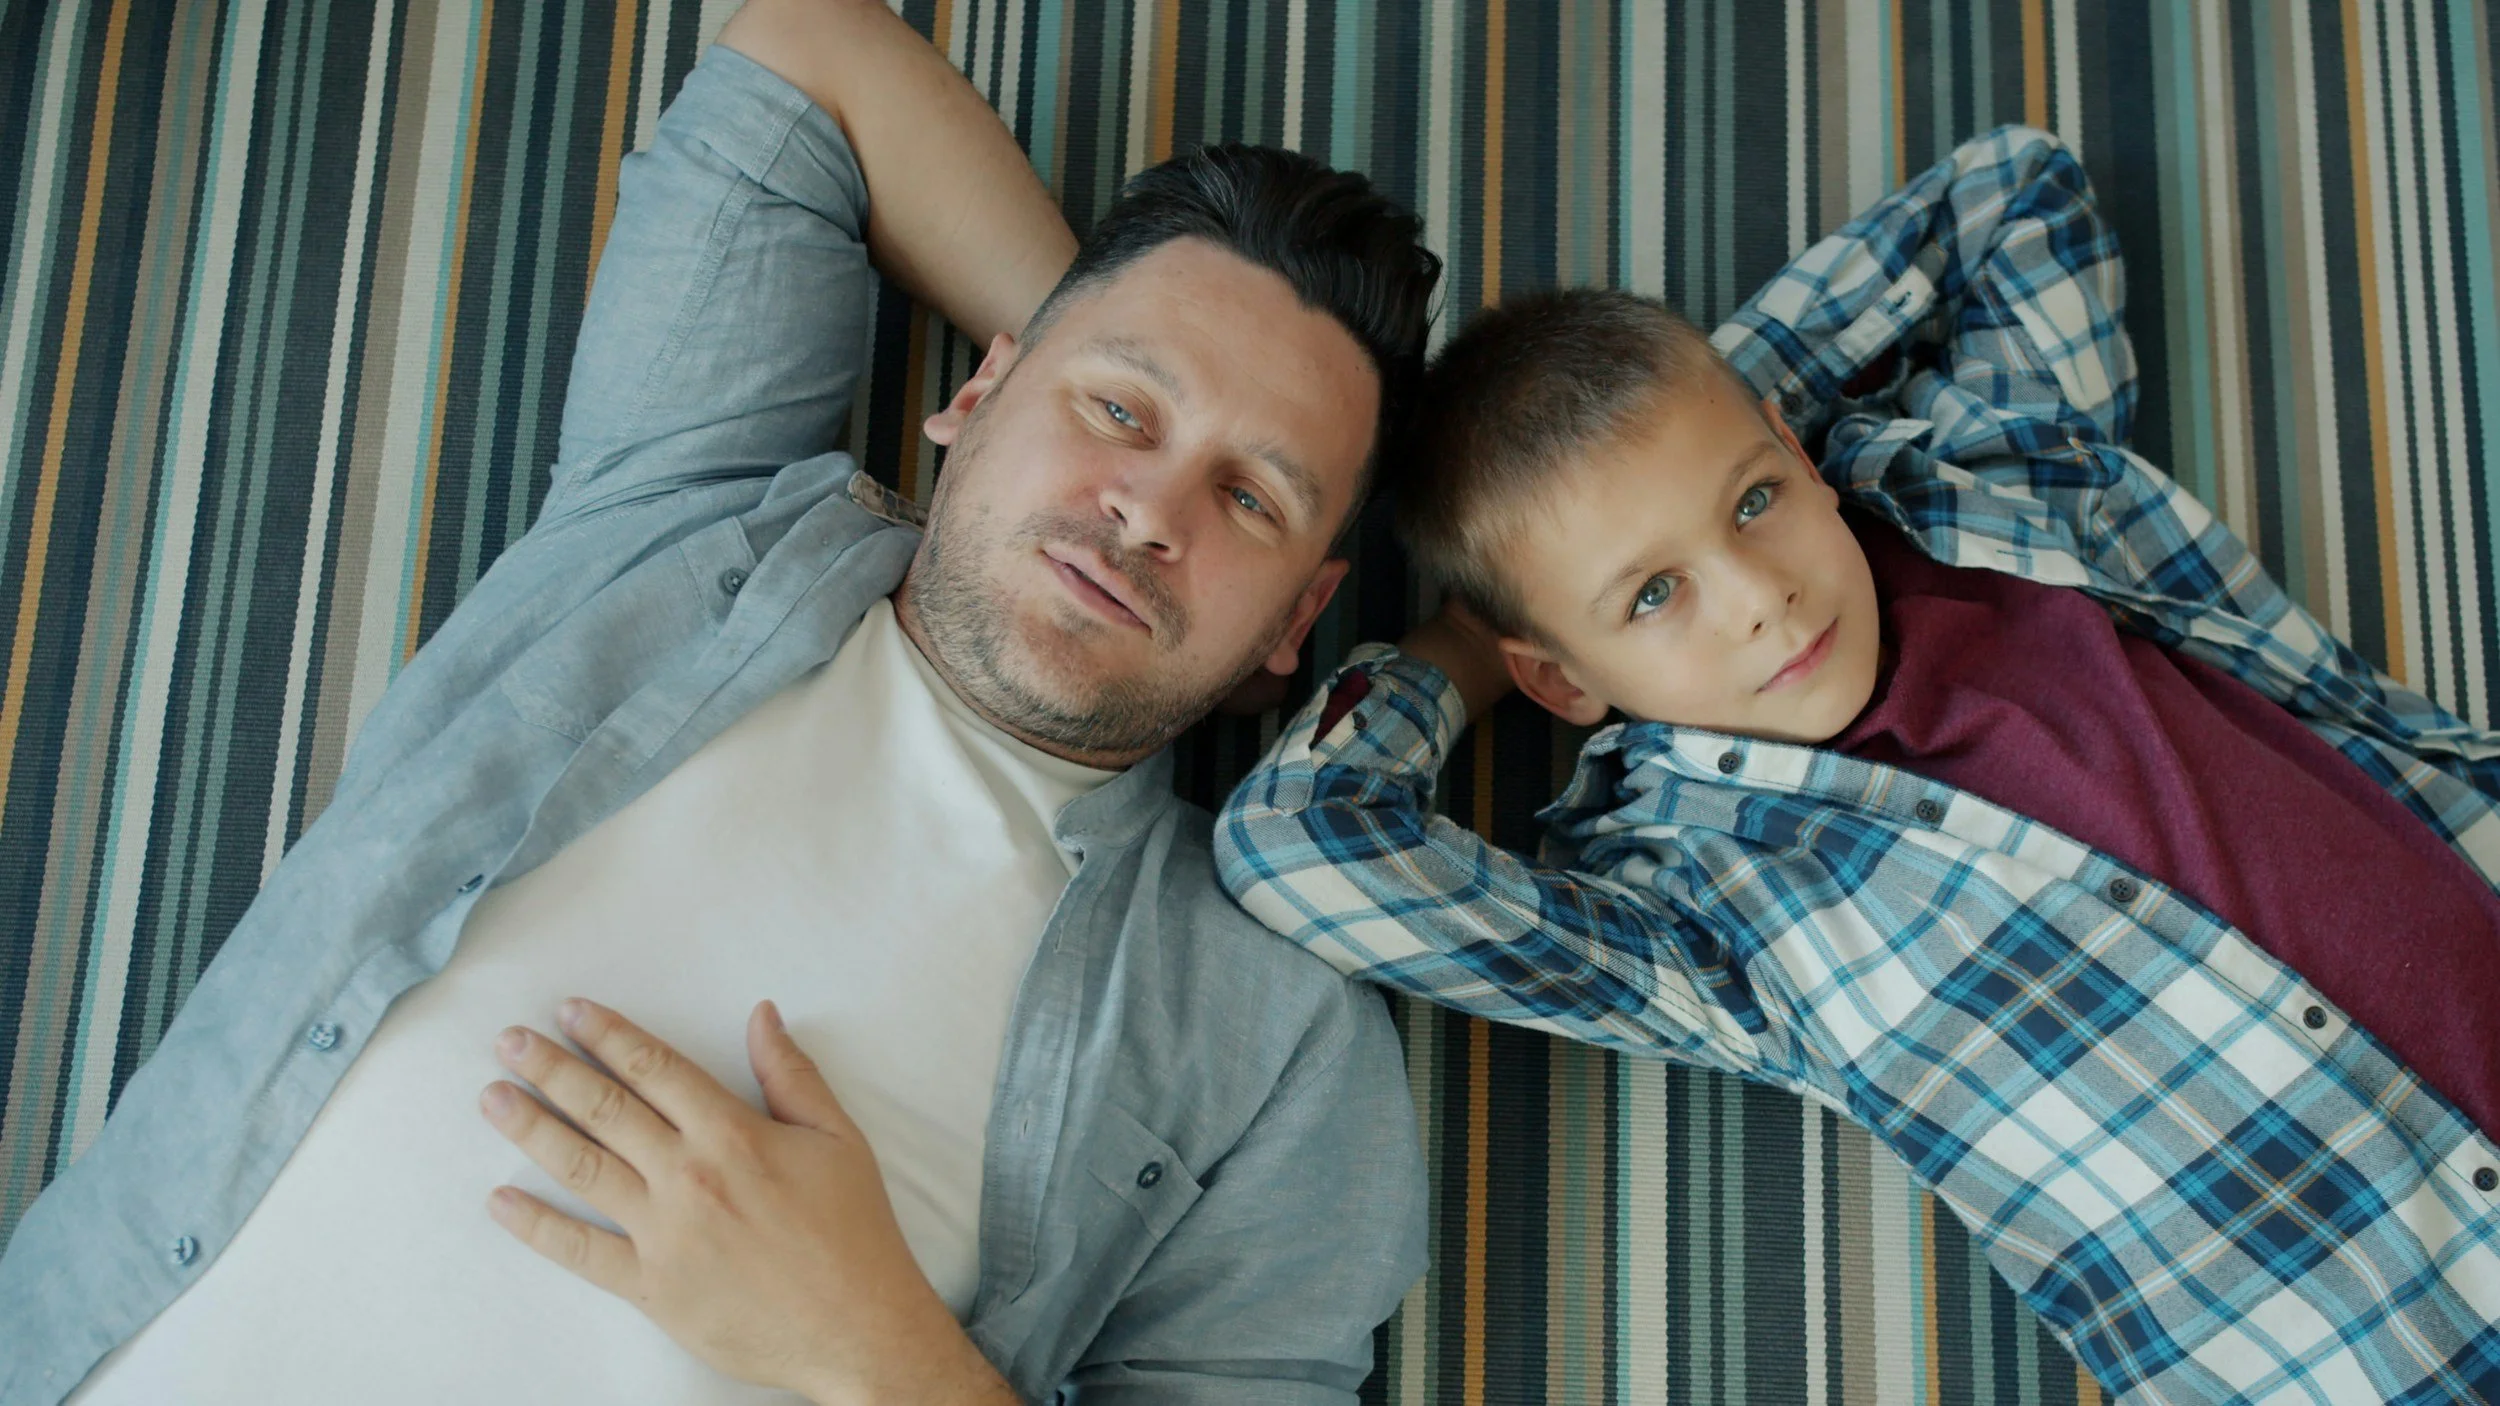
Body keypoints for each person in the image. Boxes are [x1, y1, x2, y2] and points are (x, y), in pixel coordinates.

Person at [0, 1, 1443, 1401]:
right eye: (1118, 412)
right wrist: (1094, 335)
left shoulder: (1281, 1034)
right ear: (979, 388)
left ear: (1300, 618)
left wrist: (873, 1351)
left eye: (1249, 496)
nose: (1145, 509)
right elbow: (813, 53)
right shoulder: (680, 510)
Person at [1218, 125, 2500, 1403]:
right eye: (1653, 593)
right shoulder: (1705, 916)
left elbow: (2014, 193)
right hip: (2387, 1353)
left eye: (1753, 503)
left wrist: (1703, 407)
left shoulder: (1990, 494)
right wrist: (1465, 655)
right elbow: (1296, 846)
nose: (1760, 599)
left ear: (1793, 444)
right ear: (1563, 676)